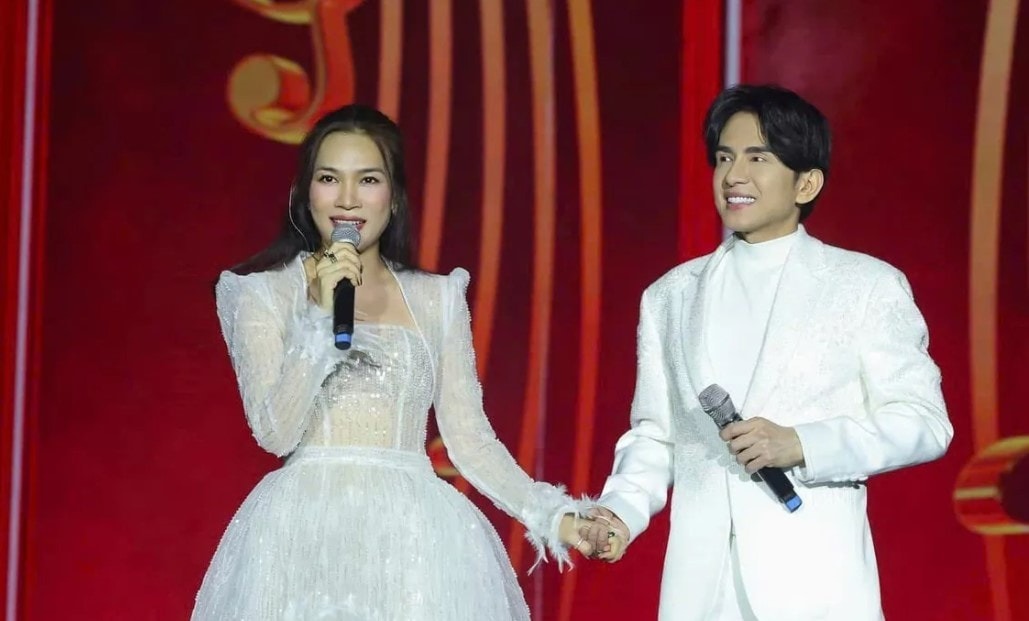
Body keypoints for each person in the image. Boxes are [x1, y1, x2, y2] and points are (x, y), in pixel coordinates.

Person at [192, 104, 594, 620]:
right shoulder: (261, 295)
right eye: (329, 178)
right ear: (304, 193)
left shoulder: (437, 298)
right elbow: (276, 432)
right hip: (303, 535)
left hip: (412, 539)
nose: (348, 198)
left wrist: (554, 516)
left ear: (395, 196)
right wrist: (318, 319)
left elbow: (469, 438)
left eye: (368, 180)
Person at [579, 85, 954, 620]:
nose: (734, 176)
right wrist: (620, 510)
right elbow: (656, 434)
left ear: (807, 182)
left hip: (815, 584)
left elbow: (924, 422)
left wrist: (801, 443)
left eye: (758, 158)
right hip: (700, 589)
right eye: (724, 158)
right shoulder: (670, 296)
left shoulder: (865, 285)